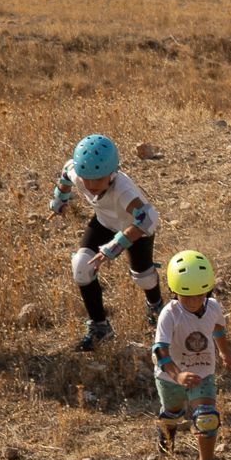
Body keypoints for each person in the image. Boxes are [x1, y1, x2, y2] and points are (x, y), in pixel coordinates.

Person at [48, 134, 164, 351]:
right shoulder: (79, 174)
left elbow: (148, 219)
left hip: (135, 230)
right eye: (86, 178)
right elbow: (66, 173)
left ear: (112, 173)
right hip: (104, 222)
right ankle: (100, 328)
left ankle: (156, 307)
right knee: (81, 268)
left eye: (98, 179)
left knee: (144, 278)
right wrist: (60, 199)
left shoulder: (123, 189)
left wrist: (116, 245)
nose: (91, 185)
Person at [152, 250, 231, 460]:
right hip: (170, 378)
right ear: (174, 292)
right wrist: (177, 375)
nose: (192, 302)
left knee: (207, 417)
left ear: (207, 290)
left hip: (203, 373)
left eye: (199, 295)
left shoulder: (213, 307)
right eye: (186, 296)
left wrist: (224, 351)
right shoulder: (169, 314)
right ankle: (167, 427)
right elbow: (160, 350)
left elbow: (218, 327)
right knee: (173, 412)